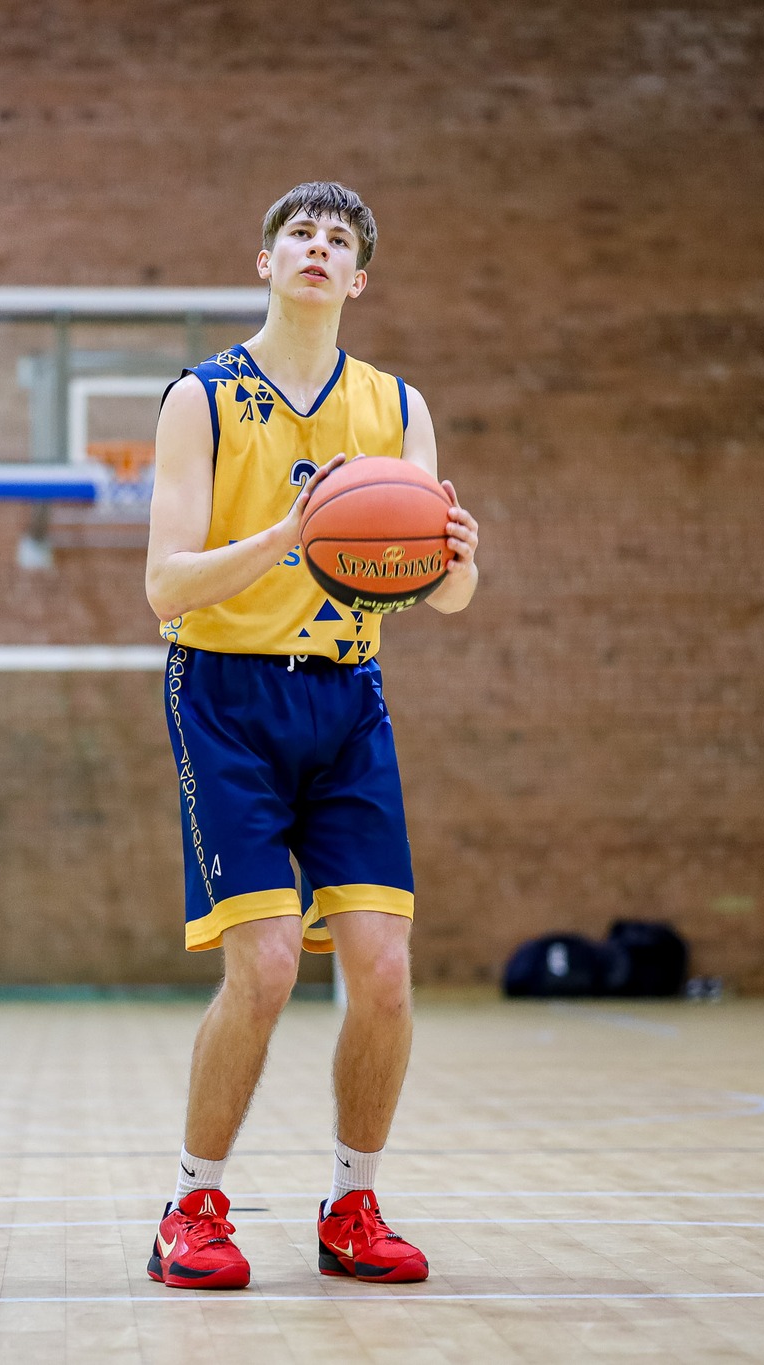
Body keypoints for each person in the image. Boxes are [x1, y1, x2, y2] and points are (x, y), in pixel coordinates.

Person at [143, 182, 480, 1289]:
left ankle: (351, 1204)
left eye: (339, 240)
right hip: (225, 694)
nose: (318, 249)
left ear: (359, 279)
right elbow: (164, 586)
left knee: (383, 969)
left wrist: (457, 560)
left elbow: (442, 595)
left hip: (346, 698)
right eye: (300, 233)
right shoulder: (200, 398)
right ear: (265, 262)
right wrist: (289, 536)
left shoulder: (397, 408)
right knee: (269, 963)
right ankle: (191, 1206)